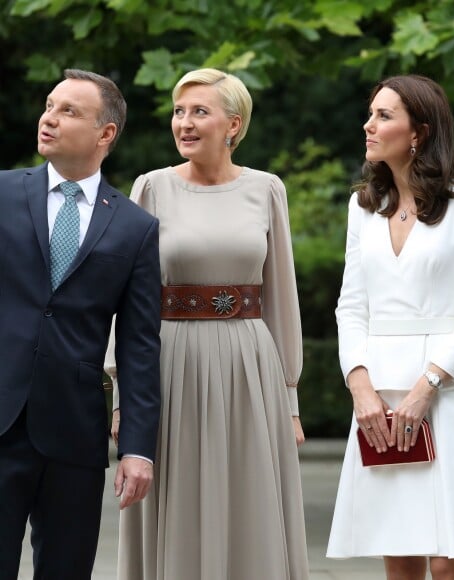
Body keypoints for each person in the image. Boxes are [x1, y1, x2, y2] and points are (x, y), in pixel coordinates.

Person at [105, 67, 309, 579]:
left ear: (233, 125)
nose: (185, 123)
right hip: (170, 362)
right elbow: (128, 301)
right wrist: (123, 398)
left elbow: (281, 298)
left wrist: (290, 401)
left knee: (251, 499)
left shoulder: (267, 189)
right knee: (176, 493)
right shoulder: (151, 187)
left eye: (200, 111)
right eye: (179, 112)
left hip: (249, 364)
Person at [326, 74, 454, 579]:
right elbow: (350, 307)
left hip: (445, 393)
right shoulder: (363, 207)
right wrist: (360, 388)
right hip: (379, 400)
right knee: (399, 555)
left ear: (419, 133)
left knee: (448, 562)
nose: (369, 125)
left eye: (384, 116)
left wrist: (428, 384)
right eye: (371, 113)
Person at [0, 69, 161, 580]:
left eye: (68, 111)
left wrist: (137, 447)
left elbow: (139, 345)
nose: (49, 117)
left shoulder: (135, 227)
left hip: (75, 433)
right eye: (49, 105)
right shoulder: (1, 193)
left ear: (105, 133)